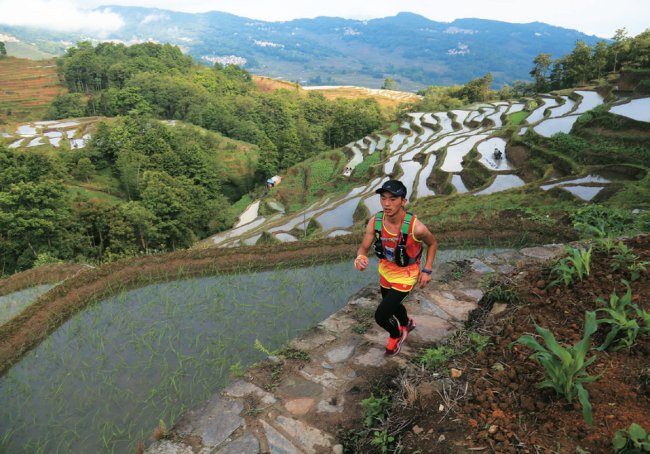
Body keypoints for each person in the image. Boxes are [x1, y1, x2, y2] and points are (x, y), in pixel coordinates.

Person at [354, 180, 438, 357]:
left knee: (381, 316)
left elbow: (432, 243)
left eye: (393, 199)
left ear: (403, 201)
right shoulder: (375, 222)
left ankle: (397, 334)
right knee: (393, 304)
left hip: (407, 275)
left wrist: (427, 270)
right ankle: (407, 322)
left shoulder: (416, 227)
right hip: (386, 272)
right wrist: (360, 258)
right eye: (383, 198)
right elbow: (363, 248)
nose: (386, 203)